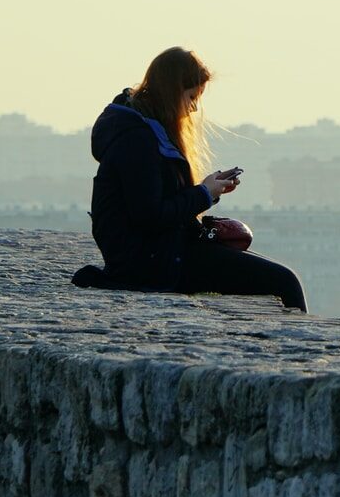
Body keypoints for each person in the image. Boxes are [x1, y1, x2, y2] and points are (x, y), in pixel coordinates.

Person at [71, 46, 308, 311]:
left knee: (279, 278)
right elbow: (150, 216)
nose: (193, 108)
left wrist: (209, 190)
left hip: (159, 253)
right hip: (153, 262)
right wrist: (204, 193)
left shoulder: (144, 129)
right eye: (191, 97)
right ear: (172, 93)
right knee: (285, 282)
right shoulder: (137, 139)